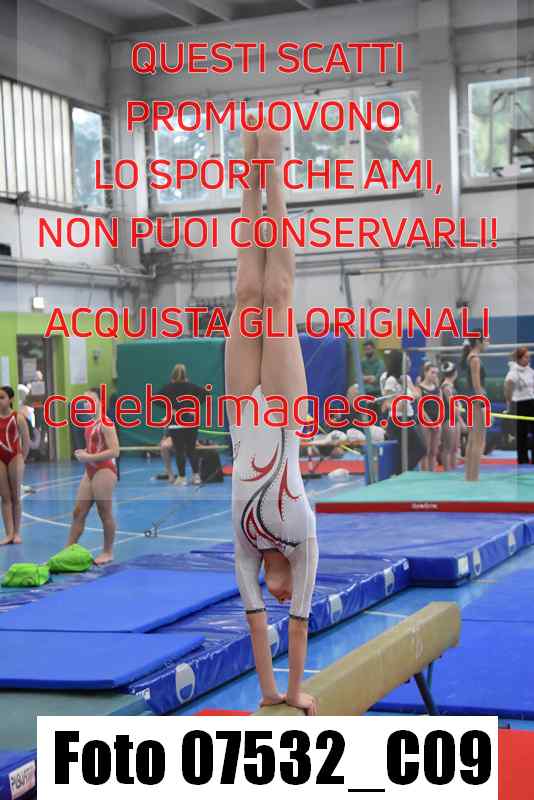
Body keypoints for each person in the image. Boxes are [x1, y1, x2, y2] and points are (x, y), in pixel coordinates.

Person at [226, 117, 318, 715]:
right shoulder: (304, 543)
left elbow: (257, 626)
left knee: (245, 294)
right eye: (283, 598)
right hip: (282, 412)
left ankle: (250, 168)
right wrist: (293, 692)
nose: (280, 600)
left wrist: (269, 695)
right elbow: (296, 627)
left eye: (274, 595)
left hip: (241, 411)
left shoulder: (246, 550)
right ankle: (274, 164)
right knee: (278, 295)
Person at [66, 387, 120, 565]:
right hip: (90, 470)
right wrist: (84, 452)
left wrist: (88, 457)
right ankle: (67, 550)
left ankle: (108, 551)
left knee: (104, 512)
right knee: (78, 512)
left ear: (100, 402)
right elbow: (95, 447)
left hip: (105, 469)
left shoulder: (106, 423)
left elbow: (115, 451)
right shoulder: (89, 422)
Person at [158, 364, 207, 486]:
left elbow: (156, 399)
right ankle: (196, 477)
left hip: (176, 422)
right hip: (191, 421)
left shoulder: (168, 388)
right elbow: (205, 393)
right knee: (191, 449)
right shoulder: (191, 386)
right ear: (185, 375)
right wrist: (194, 406)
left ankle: (182, 477)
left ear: (173, 374)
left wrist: (170, 408)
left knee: (179, 450)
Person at [382, 350, 425, 474]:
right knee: (419, 449)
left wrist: (409, 394)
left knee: (412, 451)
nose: (409, 363)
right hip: (398, 420)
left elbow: (416, 394)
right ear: (400, 363)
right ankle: (400, 473)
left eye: (409, 360)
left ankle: (401, 473)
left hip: (409, 418)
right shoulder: (391, 380)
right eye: (407, 360)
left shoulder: (406, 378)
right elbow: (388, 403)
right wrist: (400, 401)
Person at [0, 386, 30, 545]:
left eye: (2, 397)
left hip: (15, 457)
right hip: (0, 458)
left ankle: (17, 532)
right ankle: (9, 533)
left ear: (10, 399)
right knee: (5, 497)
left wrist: (22, 459)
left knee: (15, 496)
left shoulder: (18, 417)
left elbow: (26, 441)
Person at [461, 331, 489, 482]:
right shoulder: (475, 359)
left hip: (473, 400)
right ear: (479, 341)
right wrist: (482, 402)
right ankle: (473, 477)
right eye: (487, 339)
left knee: (473, 439)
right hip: (476, 400)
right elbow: (476, 383)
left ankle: (470, 476)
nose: (488, 342)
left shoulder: (471, 357)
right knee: (478, 440)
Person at [504, 347, 534, 465]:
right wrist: (509, 403)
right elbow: (507, 389)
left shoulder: (530, 371)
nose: (528, 359)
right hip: (520, 404)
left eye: (529, 357)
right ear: (520, 359)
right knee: (522, 433)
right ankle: (522, 459)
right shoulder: (513, 373)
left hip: (531, 402)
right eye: (526, 357)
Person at [418, 363, 442, 472]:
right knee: (425, 451)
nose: (434, 375)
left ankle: (432, 473)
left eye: (436, 373)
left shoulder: (437, 389)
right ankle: (424, 475)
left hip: (437, 420)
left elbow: (441, 405)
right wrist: (430, 423)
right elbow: (420, 407)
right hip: (425, 421)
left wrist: (438, 421)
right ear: (425, 372)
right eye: (432, 372)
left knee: (434, 451)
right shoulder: (419, 388)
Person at [439, 361, 462, 471]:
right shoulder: (446, 387)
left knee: (455, 447)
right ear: (455, 373)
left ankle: (454, 469)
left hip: (454, 418)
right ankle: (448, 471)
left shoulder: (450, 386)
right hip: (449, 418)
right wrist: (462, 421)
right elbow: (452, 405)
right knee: (448, 447)